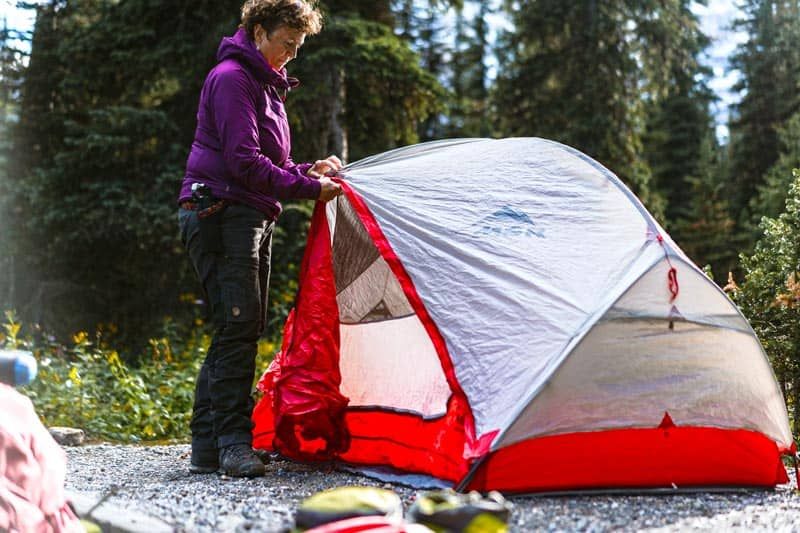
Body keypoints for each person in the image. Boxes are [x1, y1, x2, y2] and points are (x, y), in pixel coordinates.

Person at [177, 0, 342, 478]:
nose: (292, 54)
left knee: (238, 327)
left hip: (248, 212)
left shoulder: (267, 86)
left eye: (298, 46)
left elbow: (269, 163)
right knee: (237, 326)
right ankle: (232, 445)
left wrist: (307, 170)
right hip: (220, 211)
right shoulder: (233, 79)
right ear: (258, 32)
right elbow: (244, 162)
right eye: (286, 43)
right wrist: (309, 190)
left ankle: (208, 447)